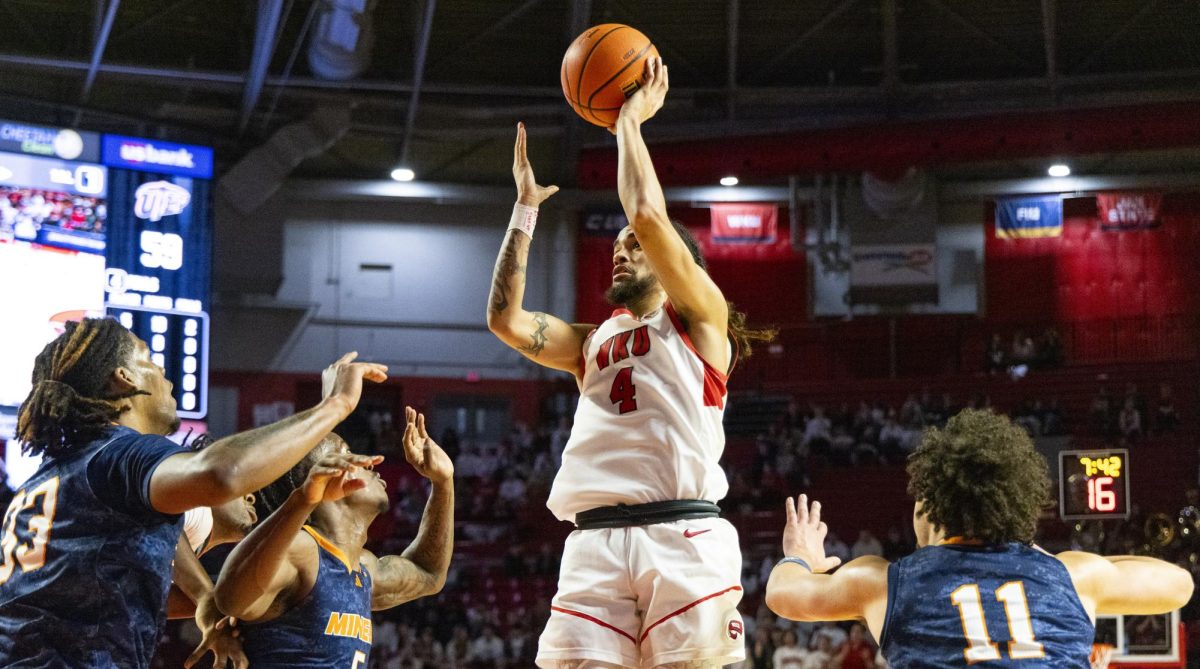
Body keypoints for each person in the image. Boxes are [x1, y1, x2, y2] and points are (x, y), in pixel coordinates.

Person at [486, 57, 772, 668]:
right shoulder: (592, 342)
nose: (622, 251)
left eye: (635, 248)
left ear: (674, 267)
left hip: (682, 534)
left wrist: (629, 120)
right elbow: (505, 322)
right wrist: (525, 212)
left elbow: (646, 213)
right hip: (593, 539)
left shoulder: (700, 317)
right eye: (616, 247)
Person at [0, 317, 385, 668]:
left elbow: (125, 563)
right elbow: (223, 474)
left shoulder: (54, 477)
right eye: (147, 358)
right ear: (124, 378)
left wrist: (203, 596)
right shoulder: (122, 453)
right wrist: (336, 405)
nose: (163, 371)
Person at [765, 409, 1194, 668]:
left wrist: (800, 556)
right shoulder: (1072, 575)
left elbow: (784, 596)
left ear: (927, 507)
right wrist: (1050, 556)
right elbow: (1179, 584)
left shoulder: (883, 580)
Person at [213, 407, 454, 668]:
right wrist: (304, 499)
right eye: (347, 455)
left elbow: (429, 573)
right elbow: (230, 600)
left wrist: (443, 483)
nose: (369, 462)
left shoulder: (362, 568)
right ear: (322, 476)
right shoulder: (302, 551)